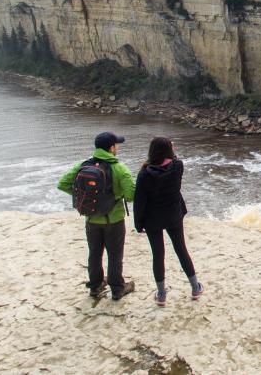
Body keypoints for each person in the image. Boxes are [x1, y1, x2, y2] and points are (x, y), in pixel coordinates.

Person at [58, 131, 136, 300]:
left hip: (91, 219)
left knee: (94, 252)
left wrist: (82, 196)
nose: (118, 148)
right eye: (117, 145)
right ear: (111, 148)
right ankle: (117, 288)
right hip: (113, 220)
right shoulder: (119, 168)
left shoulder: (83, 164)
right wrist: (115, 196)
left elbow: (62, 184)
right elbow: (131, 196)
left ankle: (95, 286)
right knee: (115, 254)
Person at [133, 137, 202, 306]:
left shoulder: (144, 173)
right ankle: (195, 288)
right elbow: (175, 159)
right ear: (169, 151)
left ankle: (162, 294)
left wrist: (138, 222)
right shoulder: (177, 167)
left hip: (152, 218)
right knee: (181, 249)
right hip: (173, 215)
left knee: (158, 255)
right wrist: (171, 149)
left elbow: (139, 201)